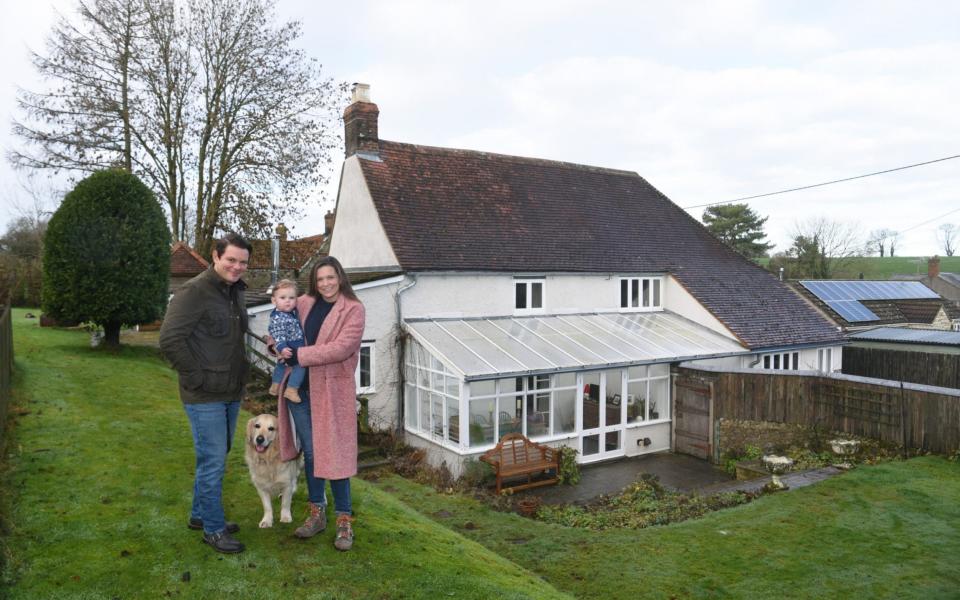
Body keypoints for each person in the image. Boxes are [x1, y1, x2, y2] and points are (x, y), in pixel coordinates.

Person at [159, 233, 252, 554]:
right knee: (213, 461)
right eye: (231, 260)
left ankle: (200, 515)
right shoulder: (194, 292)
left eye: (242, 262)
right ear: (216, 256)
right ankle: (213, 529)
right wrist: (197, 377)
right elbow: (170, 340)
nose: (237, 267)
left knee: (218, 454)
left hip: (231, 390)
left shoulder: (235, 291)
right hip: (204, 394)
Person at [275, 256, 365, 551]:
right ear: (314, 281)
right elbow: (280, 319)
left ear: (340, 277)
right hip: (299, 391)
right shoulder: (304, 302)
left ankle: (344, 518)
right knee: (313, 452)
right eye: (320, 278)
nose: (325, 283)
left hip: (332, 391)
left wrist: (299, 355)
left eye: (331, 277)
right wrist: (276, 344)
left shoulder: (353, 309)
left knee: (335, 454)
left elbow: (341, 348)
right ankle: (317, 512)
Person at [267, 279, 305, 403]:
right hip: (290, 346)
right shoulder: (279, 317)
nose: (288, 300)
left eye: (292, 298)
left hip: (290, 345)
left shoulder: (289, 313)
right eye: (283, 298)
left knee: (281, 364)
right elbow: (278, 334)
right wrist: (282, 348)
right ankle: (292, 389)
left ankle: (275, 386)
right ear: (274, 300)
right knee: (300, 366)